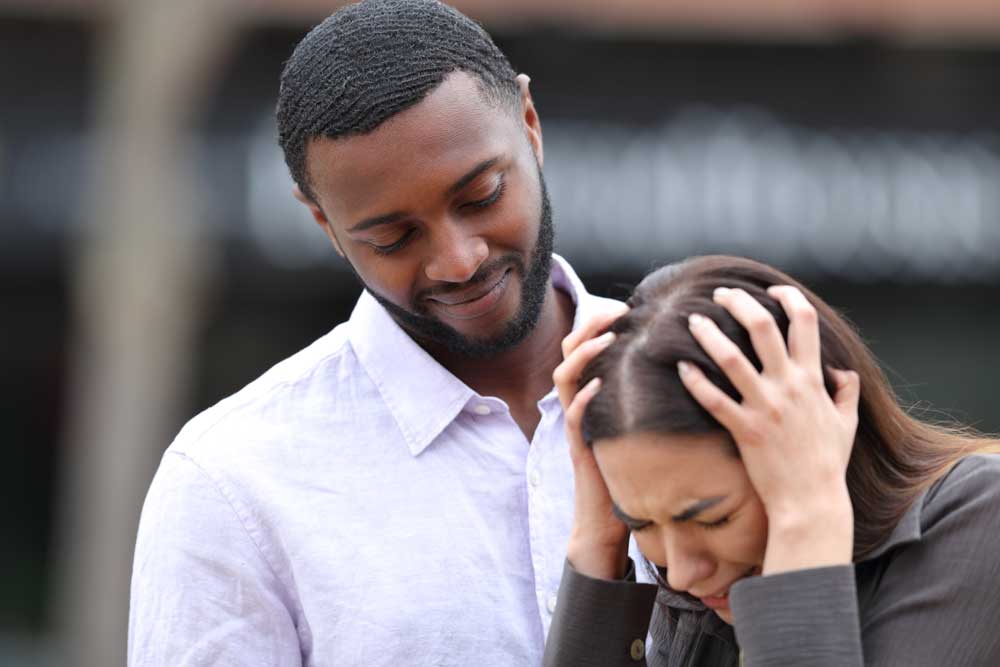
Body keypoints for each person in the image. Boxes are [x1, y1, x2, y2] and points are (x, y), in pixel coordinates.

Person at [127, 1, 629, 664]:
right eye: (393, 237)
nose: (459, 260)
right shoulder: (231, 481)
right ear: (326, 228)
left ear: (529, 125)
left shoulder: (716, 386)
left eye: (481, 196)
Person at [545, 255, 1000, 666]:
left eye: (714, 519)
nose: (682, 573)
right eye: (643, 524)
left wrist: (806, 517)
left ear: (814, 439)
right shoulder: (702, 591)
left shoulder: (983, 516)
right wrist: (598, 536)